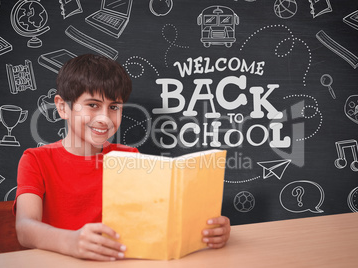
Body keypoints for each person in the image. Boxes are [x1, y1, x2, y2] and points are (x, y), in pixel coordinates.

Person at [14, 54, 231, 261]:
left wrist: (208, 229)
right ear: (62, 107)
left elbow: (152, 221)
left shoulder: (129, 157)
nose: (104, 118)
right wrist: (72, 242)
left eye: (114, 107)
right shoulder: (36, 160)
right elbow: (24, 229)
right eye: (92, 105)